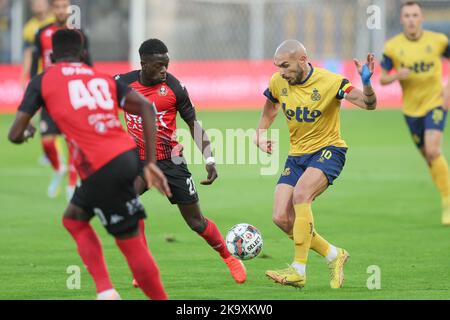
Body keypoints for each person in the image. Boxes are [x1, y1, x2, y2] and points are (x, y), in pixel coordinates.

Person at [8, 29, 171, 300]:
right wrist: (150, 162)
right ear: (83, 53)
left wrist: (26, 133)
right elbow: (146, 107)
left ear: (51, 55)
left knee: (130, 243)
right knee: (74, 219)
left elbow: (14, 134)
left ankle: (123, 294)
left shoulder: (43, 79)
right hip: (126, 157)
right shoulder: (100, 77)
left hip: (100, 166)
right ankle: (105, 291)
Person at [115, 39, 247, 286]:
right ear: (143, 64)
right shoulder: (122, 83)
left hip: (170, 162)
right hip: (138, 161)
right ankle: (142, 268)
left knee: (196, 222)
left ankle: (228, 257)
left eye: (166, 64)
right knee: (125, 204)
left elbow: (193, 124)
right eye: (158, 65)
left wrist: (209, 159)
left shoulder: (175, 88)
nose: (164, 70)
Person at [255, 40, 377, 288]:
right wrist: (260, 133)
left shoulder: (332, 82)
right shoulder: (278, 82)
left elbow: (369, 104)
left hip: (329, 150)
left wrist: (366, 83)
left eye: (286, 66)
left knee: (301, 194)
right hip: (297, 156)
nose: (281, 72)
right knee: (281, 217)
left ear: (303, 60)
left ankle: (298, 270)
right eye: (278, 66)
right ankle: (334, 254)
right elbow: (270, 107)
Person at [380, 1, 450, 225]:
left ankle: (448, 202)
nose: (411, 19)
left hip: (435, 103)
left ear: (422, 17)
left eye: (415, 15)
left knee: (433, 149)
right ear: (402, 19)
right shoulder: (393, 46)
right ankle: (445, 192)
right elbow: (382, 78)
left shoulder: (438, 41)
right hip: (411, 110)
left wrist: (447, 89)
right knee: (429, 157)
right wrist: (396, 75)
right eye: (407, 15)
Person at [31, 0, 91, 200]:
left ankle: (72, 187)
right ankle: (59, 169)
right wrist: (33, 93)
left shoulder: (80, 34)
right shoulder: (42, 33)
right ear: (51, 9)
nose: (60, 10)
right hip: (50, 94)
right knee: (47, 142)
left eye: (64, 6)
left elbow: (89, 67)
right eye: (56, 6)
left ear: (69, 9)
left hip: (72, 96)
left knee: (73, 144)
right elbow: (35, 64)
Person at [21, 0, 55, 89]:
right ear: (32, 7)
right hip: (39, 73)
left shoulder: (56, 21)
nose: (39, 5)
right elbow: (28, 53)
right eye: (35, 3)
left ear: (48, 5)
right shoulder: (29, 27)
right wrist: (24, 77)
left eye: (41, 3)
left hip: (56, 71)